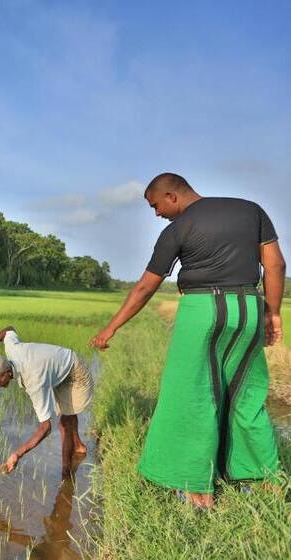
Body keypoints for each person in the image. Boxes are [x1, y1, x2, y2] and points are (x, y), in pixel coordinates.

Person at [90, 172, 285, 510]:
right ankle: (263, 480)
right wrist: (273, 313)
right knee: (246, 393)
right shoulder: (252, 210)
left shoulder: (177, 230)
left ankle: (196, 488)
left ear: (172, 196)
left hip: (202, 309)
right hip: (248, 306)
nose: (156, 213)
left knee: (192, 395)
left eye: (156, 206)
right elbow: (275, 264)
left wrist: (111, 328)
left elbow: (144, 288)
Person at [0, 326, 94, 475]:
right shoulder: (11, 351)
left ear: (7, 373)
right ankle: (79, 447)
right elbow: (9, 330)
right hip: (58, 370)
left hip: (75, 372)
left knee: (64, 423)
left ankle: (66, 475)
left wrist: (18, 453)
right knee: (66, 413)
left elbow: (46, 427)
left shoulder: (33, 381)